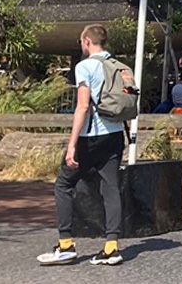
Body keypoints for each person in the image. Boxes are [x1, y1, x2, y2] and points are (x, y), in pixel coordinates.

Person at [39, 25, 125, 266]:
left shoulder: (85, 66)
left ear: (87, 41)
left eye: (80, 41)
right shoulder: (117, 65)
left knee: (64, 183)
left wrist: (71, 145)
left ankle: (65, 244)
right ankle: (111, 247)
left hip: (92, 135)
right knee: (111, 187)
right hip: (116, 134)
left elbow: (83, 106)